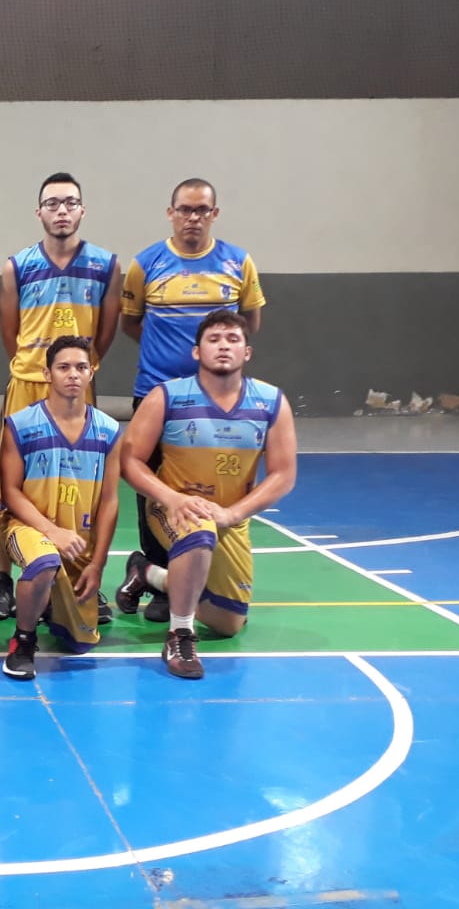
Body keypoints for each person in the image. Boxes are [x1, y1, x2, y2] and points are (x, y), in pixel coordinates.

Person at [117, 179, 266, 624]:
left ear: (214, 214)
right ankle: (157, 572)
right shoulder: (146, 263)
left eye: (202, 210)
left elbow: (250, 322)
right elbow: (131, 323)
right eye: (185, 210)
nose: (193, 218)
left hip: (217, 400)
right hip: (157, 391)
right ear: (171, 213)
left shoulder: (238, 263)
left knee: (200, 487)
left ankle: (169, 572)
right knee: (154, 492)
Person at [119, 309, 296, 679]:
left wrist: (233, 514)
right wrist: (171, 498)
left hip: (228, 515)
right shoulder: (165, 397)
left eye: (233, 340)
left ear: (247, 352)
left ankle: (148, 573)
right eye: (214, 340)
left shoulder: (271, 403)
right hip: (174, 508)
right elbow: (131, 461)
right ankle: (179, 633)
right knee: (198, 531)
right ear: (197, 352)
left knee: (228, 623)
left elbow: (283, 475)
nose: (223, 347)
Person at [0, 172, 120, 623]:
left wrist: (78, 368)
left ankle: (85, 572)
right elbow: (10, 332)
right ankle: (4, 578)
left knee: (86, 483)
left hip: (78, 383)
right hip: (28, 381)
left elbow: (105, 333)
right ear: (38, 212)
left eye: (69, 203)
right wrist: (35, 368)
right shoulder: (18, 265)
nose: (61, 210)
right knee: (15, 484)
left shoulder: (105, 265)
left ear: (82, 210)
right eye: (52, 203)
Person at [0, 335, 120, 680]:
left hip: (78, 541)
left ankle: (50, 601)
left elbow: (110, 500)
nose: (73, 375)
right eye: (63, 367)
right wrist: (51, 531)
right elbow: (10, 491)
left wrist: (97, 564)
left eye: (81, 367)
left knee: (80, 643)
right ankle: (23, 641)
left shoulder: (109, 431)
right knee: (44, 560)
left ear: (91, 372)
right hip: (28, 528)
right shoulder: (20, 424)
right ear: (47, 373)